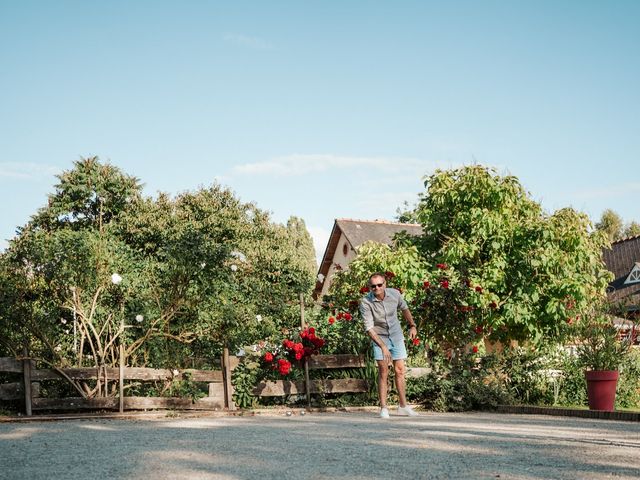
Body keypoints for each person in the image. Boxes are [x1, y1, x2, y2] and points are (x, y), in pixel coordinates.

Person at [360, 272, 419, 418]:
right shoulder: (366, 302)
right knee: (383, 371)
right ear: (369, 287)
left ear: (385, 284)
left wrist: (412, 325)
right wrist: (383, 346)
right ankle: (384, 408)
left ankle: (403, 406)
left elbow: (404, 309)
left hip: (396, 334)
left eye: (380, 285)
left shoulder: (395, 294)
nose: (377, 288)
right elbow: (369, 328)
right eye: (373, 286)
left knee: (400, 370)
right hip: (379, 338)